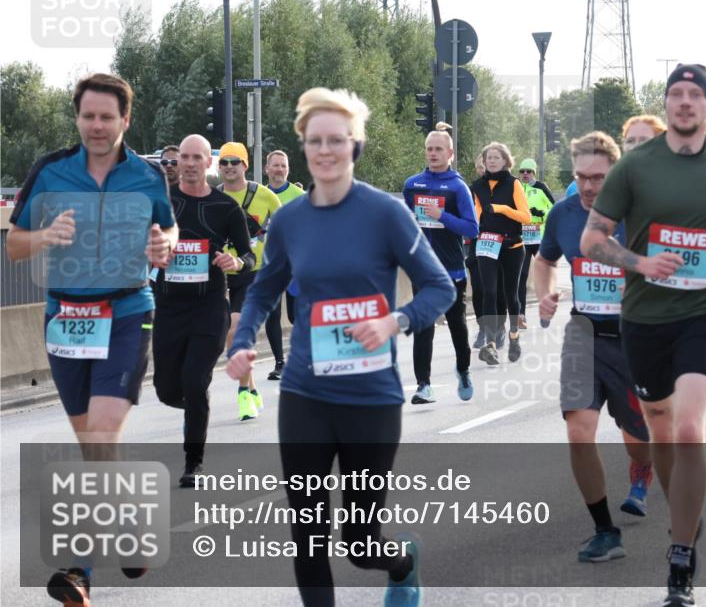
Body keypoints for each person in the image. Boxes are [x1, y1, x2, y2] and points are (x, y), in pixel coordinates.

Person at [226, 87, 454, 607]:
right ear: (304, 147)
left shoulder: (384, 214)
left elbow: (439, 287)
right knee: (307, 537)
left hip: (371, 400)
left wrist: (395, 321)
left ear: (355, 145)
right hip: (307, 394)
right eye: (315, 141)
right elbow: (264, 286)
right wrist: (242, 342)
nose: (325, 150)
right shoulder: (289, 220)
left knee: (358, 543)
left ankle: (401, 563)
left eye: (337, 140)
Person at [581, 63, 706, 607]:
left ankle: (681, 557)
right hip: (643, 317)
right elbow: (593, 237)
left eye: (695, 94)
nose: (684, 102)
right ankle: (685, 512)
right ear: (666, 104)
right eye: (675, 94)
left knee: (689, 426)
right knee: (660, 427)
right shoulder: (636, 165)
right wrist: (639, 261)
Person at [6, 72, 177, 604]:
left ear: (126, 120)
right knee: (93, 446)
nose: (97, 126)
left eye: (107, 117)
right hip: (66, 319)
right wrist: (44, 235)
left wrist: (162, 245)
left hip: (127, 312)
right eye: (88, 116)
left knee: (102, 431)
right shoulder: (51, 171)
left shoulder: (148, 178)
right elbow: (13, 246)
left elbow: (167, 228)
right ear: (77, 118)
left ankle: (77, 569)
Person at [535, 130, 653, 562]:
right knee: (578, 432)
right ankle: (605, 529)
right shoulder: (563, 213)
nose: (588, 186)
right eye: (581, 176)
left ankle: (642, 466)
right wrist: (545, 292)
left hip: (635, 341)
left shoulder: (641, 213)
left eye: (598, 178)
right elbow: (545, 258)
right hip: (583, 334)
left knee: (638, 439)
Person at [152, 134, 253, 487]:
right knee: (167, 391)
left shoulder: (226, 208)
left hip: (209, 307)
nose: (191, 163)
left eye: (198, 157)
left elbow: (249, 256)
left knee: (194, 382)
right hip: (168, 308)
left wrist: (235, 261)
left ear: (208, 163)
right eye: (185, 157)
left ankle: (193, 463)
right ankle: (199, 406)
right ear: (178, 162)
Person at [402, 122, 478, 403]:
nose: (433, 153)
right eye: (429, 149)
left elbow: (472, 229)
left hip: (452, 268)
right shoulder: (412, 184)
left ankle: (464, 369)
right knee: (423, 326)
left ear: (450, 153)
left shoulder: (458, 187)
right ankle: (424, 385)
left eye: (438, 149)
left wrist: (441, 216)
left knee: (456, 323)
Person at [217, 141, 282, 419]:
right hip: (217, 274)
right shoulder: (213, 196)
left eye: (235, 162)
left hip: (251, 273)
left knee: (236, 329)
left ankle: (243, 395)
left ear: (245, 165)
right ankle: (251, 386)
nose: (229, 167)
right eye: (224, 162)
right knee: (230, 339)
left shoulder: (264, 195)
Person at [470, 142, 533, 365]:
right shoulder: (477, 185)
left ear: (505, 161)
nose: (492, 161)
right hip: (487, 243)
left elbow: (526, 217)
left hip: (512, 247)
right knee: (489, 291)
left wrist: (501, 208)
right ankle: (490, 343)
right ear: (484, 162)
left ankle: (514, 336)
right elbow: (477, 214)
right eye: (489, 158)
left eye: (497, 157)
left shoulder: (514, 184)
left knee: (510, 295)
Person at [264, 149, 307, 381]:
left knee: (294, 316)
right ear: (266, 169)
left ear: (288, 169)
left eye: (283, 165)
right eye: (275, 165)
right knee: (272, 315)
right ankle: (280, 363)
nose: (279, 169)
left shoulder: (299, 195)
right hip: (269, 264)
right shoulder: (259, 195)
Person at [515, 158, 555, 329]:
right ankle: (520, 314)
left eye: (528, 171)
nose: (525, 174)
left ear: (534, 173)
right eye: (522, 171)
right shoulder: (516, 188)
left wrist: (541, 213)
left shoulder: (541, 187)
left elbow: (555, 210)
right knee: (521, 277)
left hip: (539, 239)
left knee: (542, 278)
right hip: (523, 239)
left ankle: (545, 312)